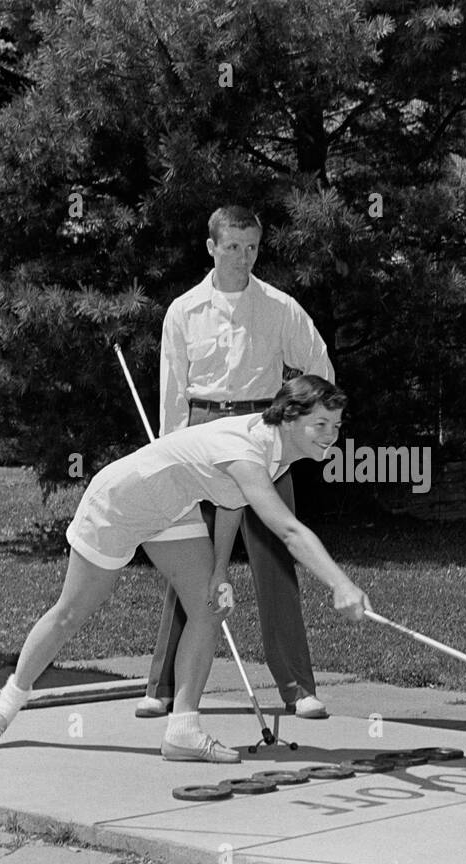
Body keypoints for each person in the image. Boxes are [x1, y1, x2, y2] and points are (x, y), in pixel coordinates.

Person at [0, 375, 370, 763]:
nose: (330, 435)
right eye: (319, 424)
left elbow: (231, 502)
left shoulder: (273, 447)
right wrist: (340, 584)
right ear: (288, 417)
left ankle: (182, 730)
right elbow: (287, 530)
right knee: (71, 613)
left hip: (172, 509)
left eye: (335, 425)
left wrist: (218, 572)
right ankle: (8, 702)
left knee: (209, 608)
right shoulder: (248, 449)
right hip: (120, 502)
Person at [138, 205, 336, 721]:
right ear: (211, 247)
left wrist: (296, 422)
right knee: (191, 562)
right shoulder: (182, 310)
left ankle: (297, 687)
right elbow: (172, 393)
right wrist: (168, 456)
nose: (242, 257)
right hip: (201, 440)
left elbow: (320, 371)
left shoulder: (279, 307)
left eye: (251, 247)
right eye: (232, 247)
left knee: (275, 561)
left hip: (261, 438)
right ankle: (162, 686)